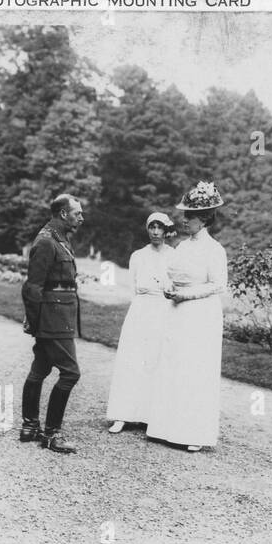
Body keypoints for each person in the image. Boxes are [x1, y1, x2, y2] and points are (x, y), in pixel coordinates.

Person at [145, 182, 228, 451]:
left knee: (195, 369)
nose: (184, 221)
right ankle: (166, 427)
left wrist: (186, 295)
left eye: (189, 217)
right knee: (173, 365)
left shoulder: (214, 249)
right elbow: (172, 274)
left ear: (203, 220)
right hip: (178, 312)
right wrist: (170, 288)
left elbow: (217, 284)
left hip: (201, 314)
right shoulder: (182, 246)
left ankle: (194, 432)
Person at [19, 193, 85, 454]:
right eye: (77, 213)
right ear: (63, 214)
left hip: (57, 315)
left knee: (41, 368)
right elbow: (32, 286)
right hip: (53, 318)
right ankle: (51, 434)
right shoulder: (47, 242)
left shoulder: (60, 239)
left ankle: (30, 426)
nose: (81, 217)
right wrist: (35, 322)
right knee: (70, 373)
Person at [106, 212, 179, 433]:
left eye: (159, 228)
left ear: (166, 230)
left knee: (157, 360)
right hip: (141, 309)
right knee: (133, 359)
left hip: (164, 310)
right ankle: (122, 415)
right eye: (152, 227)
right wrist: (139, 311)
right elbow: (132, 289)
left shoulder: (175, 256)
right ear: (147, 229)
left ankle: (150, 415)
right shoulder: (138, 256)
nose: (155, 232)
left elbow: (177, 285)